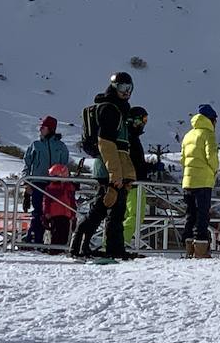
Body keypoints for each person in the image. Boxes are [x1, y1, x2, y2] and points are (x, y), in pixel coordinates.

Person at [70, 72, 137, 259]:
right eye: (123, 88)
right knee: (104, 207)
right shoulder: (110, 109)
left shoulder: (118, 108)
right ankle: (80, 244)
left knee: (113, 210)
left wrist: (126, 174)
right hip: (109, 168)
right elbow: (106, 143)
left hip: (114, 167)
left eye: (130, 88)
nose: (127, 93)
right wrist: (114, 174)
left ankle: (110, 248)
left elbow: (121, 147)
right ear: (114, 87)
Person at [23, 116, 70, 244]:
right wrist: (26, 183)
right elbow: (27, 163)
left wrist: (65, 182)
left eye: (43, 127)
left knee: (55, 214)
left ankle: (56, 242)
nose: (40, 130)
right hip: (38, 183)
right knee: (38, 212)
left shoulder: (60, 146)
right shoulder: (35, 145)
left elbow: (65, 165)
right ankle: (34, 241)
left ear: (51, 129)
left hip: (55, 185)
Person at [181, 104, 219, 258]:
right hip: (203, 181)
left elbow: (183, 159)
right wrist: (214, 170)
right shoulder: (208, 134)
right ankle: (201, 249)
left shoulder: (188, 135)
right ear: (211, 119)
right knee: (202, 215)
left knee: (190, 214)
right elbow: (212, 158)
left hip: (188, 182)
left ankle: (189, 248)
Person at [123, 106, 150, 248]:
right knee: (135, 215)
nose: (144, 123)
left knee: (128, 215)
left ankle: (119, 241)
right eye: (143, 120)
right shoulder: (130, 138)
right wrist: (145, 170)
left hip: (131, 182)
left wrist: (149, 168)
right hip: (133, 183)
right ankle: (122, 241)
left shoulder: (130, 136)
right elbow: (134, 162)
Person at [43, 163, 76, 251]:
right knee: (56, 232)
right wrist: (46, 212)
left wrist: (73, 214)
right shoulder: (50, 188)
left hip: (66, 214)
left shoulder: (69, 187)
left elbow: (72, 201)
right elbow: (46, 201)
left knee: (65, 232)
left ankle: (62, 248)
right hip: (55, 214)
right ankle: (54, 248)